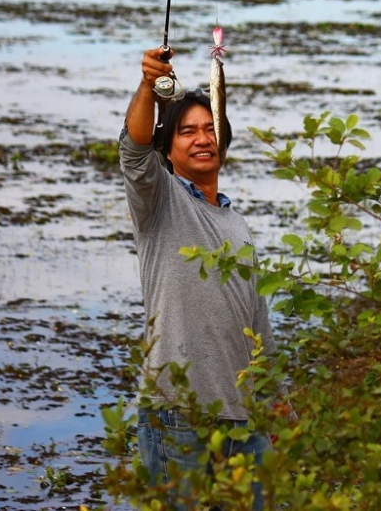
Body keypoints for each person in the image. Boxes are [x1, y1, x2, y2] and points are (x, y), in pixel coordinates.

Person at [119, 46, 277, 510]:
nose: (202, 138)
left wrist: (276, 400)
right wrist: (149, 85)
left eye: (211, 129)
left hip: (244, 421)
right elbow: (134, 151)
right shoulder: (159, 200)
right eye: (187, 131)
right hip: (177, 416)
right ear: (168, 149)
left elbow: (257, 318)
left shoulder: (236, 222)